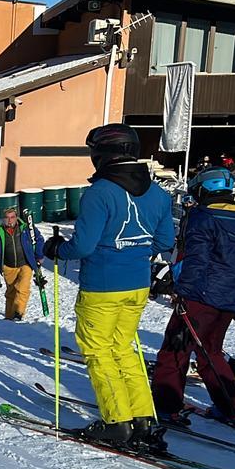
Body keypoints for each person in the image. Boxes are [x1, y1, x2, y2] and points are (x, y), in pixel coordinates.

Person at [44, 124, 176, 444]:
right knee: (124, 348)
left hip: (103, 285)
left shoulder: (99, 193)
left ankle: (117, 421)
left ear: (101, 154)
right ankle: (142, 418)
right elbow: (165, 240)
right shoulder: (158, 193)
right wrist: (134, 251)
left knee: (98, 350)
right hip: (137, 284)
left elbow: (83, 247)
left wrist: (56, 249)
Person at [153, 167, 235, 429]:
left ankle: (167, 407)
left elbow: (196, 260)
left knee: (175, 349)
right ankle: (232, 408)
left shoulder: (202, 216)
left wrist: (181, 289)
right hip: (228, 298)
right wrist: (234, 285)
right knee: (210, 352)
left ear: (203, 190)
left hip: (198, 296)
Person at [0, 207, 45, 320]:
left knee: (22, 289)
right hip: (8, 266)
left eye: (12, 217)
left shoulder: (26, 228)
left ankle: (18, 313)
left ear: (16, 217)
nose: (10, 220)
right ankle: (9, 318)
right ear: (3, 219)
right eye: (7, 218)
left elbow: (39, 239)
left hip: (25, 264)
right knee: (11, 293)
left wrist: (39, 255)